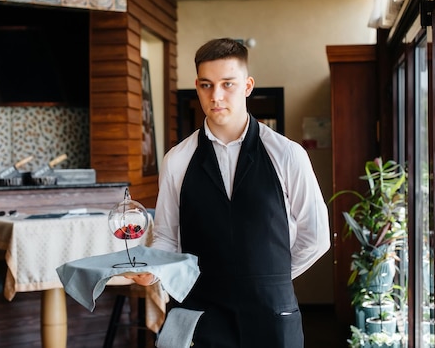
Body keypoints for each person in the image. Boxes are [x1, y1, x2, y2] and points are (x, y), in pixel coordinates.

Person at [131, 37, 331, 348]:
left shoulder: (288, 154)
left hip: (271, 313)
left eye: (228, 84)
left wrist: (270, 277)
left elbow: (316, 237)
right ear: (197, 86)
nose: (217, 96)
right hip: (200, 312)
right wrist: (153, 272)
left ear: (248, 85)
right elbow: (168, 237)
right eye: (207, 85)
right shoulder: (177, 160)